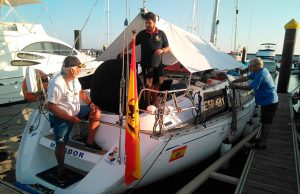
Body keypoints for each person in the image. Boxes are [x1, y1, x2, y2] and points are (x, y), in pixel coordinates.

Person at [47, 56, 101, 183]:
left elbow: (81, 92)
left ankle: (89, 142)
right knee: (61, 144)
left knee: (96, 112)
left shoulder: (74, 79)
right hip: (61, 118)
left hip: (75, 111)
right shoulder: (57, 83)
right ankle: (61, 169)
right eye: (79, 67)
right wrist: (70, 118)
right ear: (72, 70)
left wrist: (90, 104)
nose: (80, 70)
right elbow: (51, 106)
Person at [230, 57, 278, 149]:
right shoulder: (258, 71)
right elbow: (247, 77)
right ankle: (261, 139)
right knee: (264, 122)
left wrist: (236, 87)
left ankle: (262, 143)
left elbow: (250, 88)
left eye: (251, 66)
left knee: (266, 123)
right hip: (266, 101)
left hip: (270, 102)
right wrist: (234, 81)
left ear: (257, 66)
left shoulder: (261, 74)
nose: (250, 68)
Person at [124, 11, 171, 106]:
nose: (147, 25)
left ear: (154, 22)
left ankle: (154, 101)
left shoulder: (161, 34)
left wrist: (162, 50)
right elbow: (132, 43)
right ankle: (148, 103)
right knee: (149, 85)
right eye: (146, 23)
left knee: (157, 84)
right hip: (146, 64)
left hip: (158, 64)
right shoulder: (142, 34)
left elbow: (168, 48)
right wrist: (124, 51)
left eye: (149, 23)